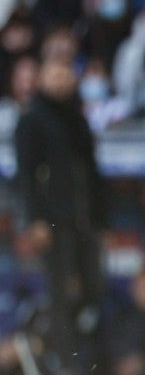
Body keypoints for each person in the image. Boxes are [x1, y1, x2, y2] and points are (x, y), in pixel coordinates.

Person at [15, 59, 107, 375]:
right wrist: (36, 219)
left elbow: (92, 172)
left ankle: (38, 330)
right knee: (60, 291)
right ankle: (67, 365)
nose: (60, 80)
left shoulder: (78, 118)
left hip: (85, 219)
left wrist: (101, 218)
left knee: (93, 288)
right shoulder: (32, 120)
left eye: (65, 73)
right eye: (53, 73)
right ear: (41, 78)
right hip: (54, 221)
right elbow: (26, 175)